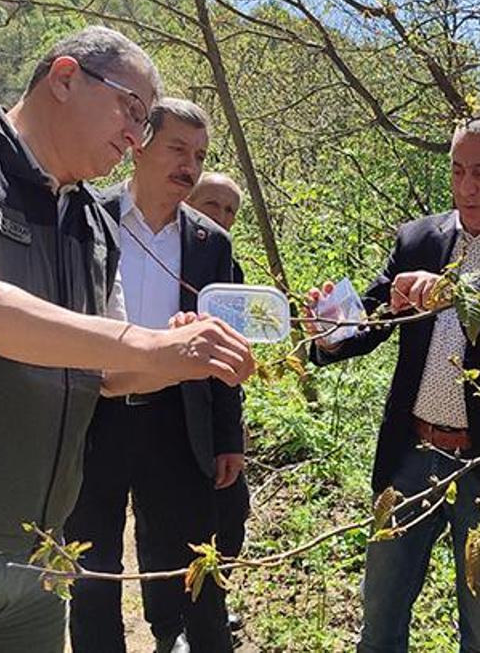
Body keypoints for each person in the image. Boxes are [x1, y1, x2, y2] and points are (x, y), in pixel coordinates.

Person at [0, 27, 256, 652]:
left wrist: (188, 356)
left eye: (145, 122)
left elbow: (108, 375)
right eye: (131, 110)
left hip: (34, 556)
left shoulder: (90, 222)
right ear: (64, 78)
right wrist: (146, 345)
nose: (135, 137)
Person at [305, 112, 480, 652]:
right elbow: (374, 316)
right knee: (380, 618)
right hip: (410, 454)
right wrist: (332, 333)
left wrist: (458, 294)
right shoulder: (419, 238)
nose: (466, 187)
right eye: (457, 170)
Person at [65, 100, 244, 653]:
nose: (190, 166)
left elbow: (223, 345)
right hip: (93, 414)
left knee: (190, 557)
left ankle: (190, 641)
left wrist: (228, 438)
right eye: (178, 149)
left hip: (176, 416)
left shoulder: (211, 243)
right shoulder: (85, 215)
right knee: (90, 562)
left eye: (200, 155)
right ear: (139, 145)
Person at [188, 171, 252, 635]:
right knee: (175, 525)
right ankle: (176, 622)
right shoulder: (163, 257)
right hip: (164, 413)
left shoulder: (233, 272)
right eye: (212, 204)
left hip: (218, 413)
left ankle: (212, 605)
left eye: (230, 210)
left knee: (230, 517)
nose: (222, 217)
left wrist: (231, 434)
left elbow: (235, 355)